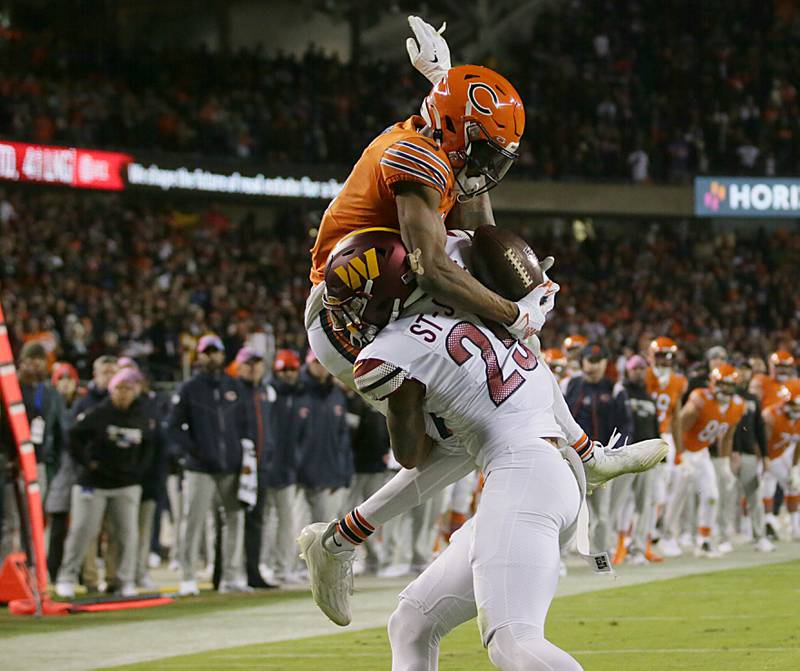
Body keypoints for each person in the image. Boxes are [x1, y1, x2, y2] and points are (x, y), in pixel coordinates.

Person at [298, 228, 667, 630]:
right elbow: (410, 454)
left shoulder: (451, 257)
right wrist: (523, 308)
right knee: (467, 429)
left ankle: (341, 539)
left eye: (357, 308)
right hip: (346, 329)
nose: (351, 318)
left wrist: (520, 299)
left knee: (514, 356)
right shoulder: (383, 347)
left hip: (416, 311)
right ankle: (587, 452)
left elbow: (480, 239)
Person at [54, 368, 155, 598]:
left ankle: (124, 580)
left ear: (135, 391)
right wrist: (88, 463)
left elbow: (150, 446)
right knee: (82, 531)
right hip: (94, 483)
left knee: (127, 535)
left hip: (126, 484)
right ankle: (67, 576)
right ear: (112, 390)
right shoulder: (99, 413)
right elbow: (73, 438)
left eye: (128, 388)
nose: (123, 393)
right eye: (119, 388)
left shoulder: (141, 416)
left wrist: (138, 470)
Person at [168, 334, 251, 595]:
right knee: (193, 521)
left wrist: (243, 457)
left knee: (234, 520)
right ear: (199, 356)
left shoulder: (234, 386)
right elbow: (173, 428)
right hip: (199, 467)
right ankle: (188, 576)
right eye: (207, 352)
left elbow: (244, 424)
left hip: (231, 466)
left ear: (222, 355)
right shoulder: (189, 388)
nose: (211, 356)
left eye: (215, 351)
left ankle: (230, 576)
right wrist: (192, 453)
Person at [660, 364, 745, 558]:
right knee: (677, 496)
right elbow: (678, 427)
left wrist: (724, 464)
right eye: (722, 384)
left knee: (712, 495)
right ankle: (667, 537)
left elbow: (727, 437)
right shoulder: (701, 399)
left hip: (702, 452)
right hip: (681, 448)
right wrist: (679, 456)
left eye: (729, 385)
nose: (725, 389)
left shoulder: (738, 405)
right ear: (714, 383)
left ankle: (704, 540)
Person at [564, 343, 634, 554]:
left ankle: (601, 555)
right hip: (571, 458)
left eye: (598, 361)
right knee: (567, 509)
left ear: (605, 363)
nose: (593, 366)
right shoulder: (569, 385)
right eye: (590, 360)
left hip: (601, 459)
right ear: (582, 361)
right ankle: (559, 557)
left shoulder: (614, 389)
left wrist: (616, 454)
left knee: (602, 513)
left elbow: (626, 425)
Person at [1, 341, 66, 561]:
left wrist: (51, 462)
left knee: (34, 521)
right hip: (10, 463)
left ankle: (34, 572)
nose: (36, 365)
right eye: (31, 359)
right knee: (11, 522)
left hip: (37, 464)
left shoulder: (48, 393)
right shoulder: (8, 389)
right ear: (21, 361)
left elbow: (58, 432)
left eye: (40, 360)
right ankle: (5, 574)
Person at [611, 355, 662, 564]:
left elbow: (655, 428)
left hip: (647, 458)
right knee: (614, 504)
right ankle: (610, 547)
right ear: (628, 370)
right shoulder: (619, 392)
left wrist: (660, 456)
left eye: (642, 369)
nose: (639, 372)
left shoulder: (649, 397)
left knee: (646, 505)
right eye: (635, 368)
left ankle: (639, 549)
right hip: (625, 455)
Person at [235, 346, 279, 589]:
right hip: (237, 467)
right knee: (232, 521)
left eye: (257, 363)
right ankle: (228, 573)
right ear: (239, 366)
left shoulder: (265, 392)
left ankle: (252, 572)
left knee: (256, 521)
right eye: (248, 363)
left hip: (260, 466)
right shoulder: (232, 390)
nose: (253, 368)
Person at [260, 349, 304, 584]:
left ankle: (283, 566)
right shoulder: (266, 393)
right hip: (267, 466)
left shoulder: (299, 394)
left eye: (292, 369)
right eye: (284, 369)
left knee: (287, 522)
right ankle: (264, 564)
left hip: (288, 468)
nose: (288, 374)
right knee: (266, 520)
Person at [296, 351, 353, 524]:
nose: (320, 367)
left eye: (322, 362)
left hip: (327, 475)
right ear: (307, 364)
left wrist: (343, 472)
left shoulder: (336, 394)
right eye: (315, 362)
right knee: (296, 532)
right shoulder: (297, 391)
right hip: (298, 478)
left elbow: (343, 437)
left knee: (322, 530)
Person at [731, 359, 773, 552]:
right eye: (741, 370)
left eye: (747, 370)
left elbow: (759, 428)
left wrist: (765, 455)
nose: (745, 374)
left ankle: (759, 536)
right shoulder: (728, 395)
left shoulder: (753, 399)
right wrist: (734, 450)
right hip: (727, 454)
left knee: (754, 495)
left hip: (748, 453)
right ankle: (722, 537)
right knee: (725, 497)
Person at [762, 379, 800, 541]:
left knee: (792, 485)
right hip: (766, 456)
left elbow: (798, 444)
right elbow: (761, 441)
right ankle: (753, 525)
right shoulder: (771, 415)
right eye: (793, 404)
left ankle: (794, 526)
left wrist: (794, 466)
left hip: (780, 453)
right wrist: (763, 461)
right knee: (763, 489)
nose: (796, 408)